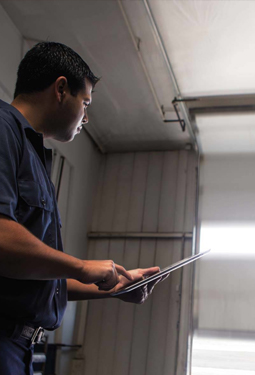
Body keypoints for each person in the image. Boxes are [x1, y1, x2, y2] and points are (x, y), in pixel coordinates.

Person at [0, 42, 165, 375]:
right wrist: (81, 266)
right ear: (61, 89)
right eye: (85, 102)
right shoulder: (3, 128)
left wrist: (114, 287)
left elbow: (42, 277)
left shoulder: (35, 155)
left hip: (20, 351)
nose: (86, 116)